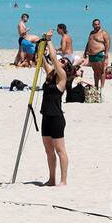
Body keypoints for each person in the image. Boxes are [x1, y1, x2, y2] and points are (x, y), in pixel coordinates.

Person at [38, 35, 70, 187]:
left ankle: (63, 181)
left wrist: (49, 40)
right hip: (45, 116)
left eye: (63, 61)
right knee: (48, 151)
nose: (60, 61)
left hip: (57, 118)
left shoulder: (62, 77)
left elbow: (53, 58)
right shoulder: (51, 75)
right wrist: (40, 47)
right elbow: (44, 61)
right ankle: (52, 179)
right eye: (61, 60)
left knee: (60, 150)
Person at [83, 19, 111, 90]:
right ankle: (96, 85)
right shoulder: (91, 33)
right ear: (93, 25)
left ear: (100, 24)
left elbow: (107, 42)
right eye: (95, 24)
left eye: (98, 24)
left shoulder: (103, 33)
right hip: (91, 55)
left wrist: (107, 53)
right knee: (95, 71)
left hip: (99, 53)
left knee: (101, 70)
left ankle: (102, 86)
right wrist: (85, 52)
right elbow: (88, 42)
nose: (97, 26)